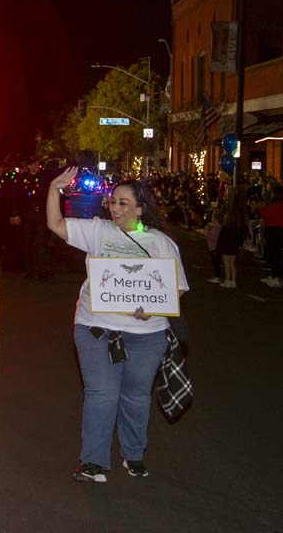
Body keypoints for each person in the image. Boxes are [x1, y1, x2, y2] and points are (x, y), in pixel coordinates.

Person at [45, 168, 189, 482]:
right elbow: (55, 225)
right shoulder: (98, 232)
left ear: (141, 208)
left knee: (136, 397)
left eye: (124, 203)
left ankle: (133, 455)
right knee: (101, 393)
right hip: (96, 328)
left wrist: (150, 310)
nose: (116, 208)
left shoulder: (160, 243)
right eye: (113, 202)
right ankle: (93, 462)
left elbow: (175, 287)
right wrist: (54, 189)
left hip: (147, 335)